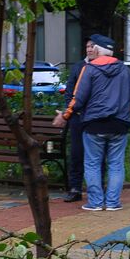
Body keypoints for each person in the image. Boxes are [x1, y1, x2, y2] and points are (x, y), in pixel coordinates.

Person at [53, 38, 130, 211]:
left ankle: (96, 203)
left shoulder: (89, 69)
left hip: (94, 125)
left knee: (92, 163)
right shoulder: (124, 69)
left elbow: (79, 97)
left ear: (97, 51)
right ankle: (113, 203)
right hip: (119, 124)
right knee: (116, 164)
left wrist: (65, 115)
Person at [58, 39, 99, 202]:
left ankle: (96, 188)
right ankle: (74, 188)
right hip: (77, 117)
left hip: (95, 118)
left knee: (96, 154)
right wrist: (71, 110)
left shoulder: (102, 67)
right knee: (76, 153)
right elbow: (69, 92)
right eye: (87, 46)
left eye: (92, 46)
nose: (88, 49)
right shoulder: (78, 67)